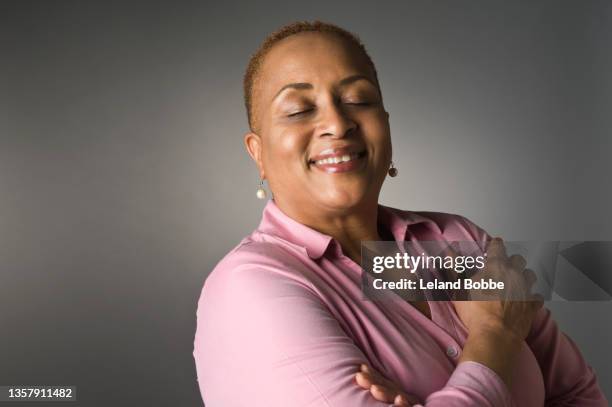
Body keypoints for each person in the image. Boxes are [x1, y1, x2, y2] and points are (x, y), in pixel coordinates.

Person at [193, 20, 607, 406]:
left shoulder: (454, 239)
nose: (338, 123)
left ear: (385, 127)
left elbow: (576, 392)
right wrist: (493, 338)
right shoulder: (249, 289)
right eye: (300, 109)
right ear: (258, 152)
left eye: (359, 99)